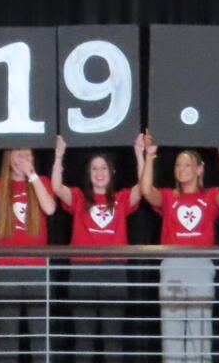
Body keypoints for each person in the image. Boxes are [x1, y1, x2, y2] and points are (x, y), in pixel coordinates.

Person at [138, 131, 219, 363]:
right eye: (178, 165)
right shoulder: (169, 197)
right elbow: (145, 190)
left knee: (199, 335)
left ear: (199, 169)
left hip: (201, 268)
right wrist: (150, 157)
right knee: (171, 336)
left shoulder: (210, 196)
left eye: (187, 164)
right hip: (172, 268)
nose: (181, 169)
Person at [51, 135, 142, 363]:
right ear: (88, 173)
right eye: (94, 168)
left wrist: (140, 153)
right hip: (82, 271)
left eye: (103, 168)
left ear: (111, 172)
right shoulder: (79, 198)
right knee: (84, 338)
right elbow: (55, 187)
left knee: (113, 338)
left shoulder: (121, 199)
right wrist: (59, 154)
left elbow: (143, 187)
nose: (99, 173)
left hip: (114, 272)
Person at [0, 140, 57, 363]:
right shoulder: (0, 185)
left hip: (36, 268)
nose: (22, 160)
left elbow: (49, 208)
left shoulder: (42, 182)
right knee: (8, 332)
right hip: (6, 267)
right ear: (8, 159)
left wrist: (33, 176)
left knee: (39, 331)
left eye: (27, 155)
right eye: (18, 156)